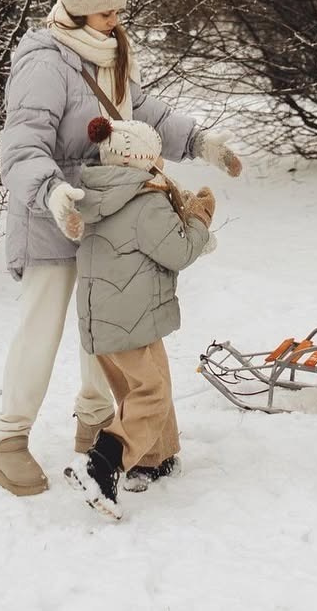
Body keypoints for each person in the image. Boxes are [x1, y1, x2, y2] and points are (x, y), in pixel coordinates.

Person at [0, 0, 242, 498]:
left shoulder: (112, 55)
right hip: (51, 215)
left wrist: (200, 142)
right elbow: (23, 145)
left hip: (105, 217)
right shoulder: (45, 62)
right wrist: (52, 191)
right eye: (107, 12)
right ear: (80, 10)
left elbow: (146, 115)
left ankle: (94, 420)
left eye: (118, 11)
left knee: (104, 329)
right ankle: (10, 439)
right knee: (41, 329)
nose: (116, 20)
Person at [64, 115, 217, 519]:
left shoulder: (95, 193)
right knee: (152, 394)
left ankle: (154, 459)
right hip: (131, 318)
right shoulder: (145, 200)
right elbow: (179, 252)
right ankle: (102, 464)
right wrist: (199, 220)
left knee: (139, 388)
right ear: (142, 159)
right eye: (156, 157)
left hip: (103, 317)